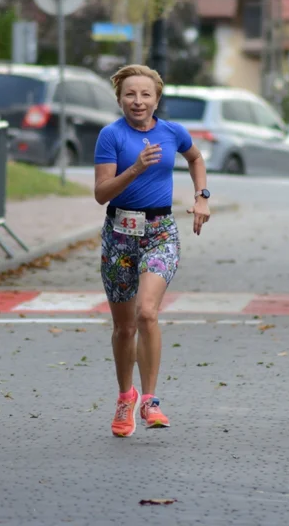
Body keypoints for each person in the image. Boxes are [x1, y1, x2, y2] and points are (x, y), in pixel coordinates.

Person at [93, 64, 211, 438]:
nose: (138, 101)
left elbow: (195, 159)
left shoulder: (173, 132)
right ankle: (126, 396)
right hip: (119, 235)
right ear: (120, 99)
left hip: (160, 231)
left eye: (145, 94)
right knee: (124, 327)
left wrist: (202, 196)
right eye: (130, 94)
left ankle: (150, 399)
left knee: (147, 312)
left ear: (157, 99)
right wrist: (135, 170)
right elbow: (101, 194)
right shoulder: (110, 136)